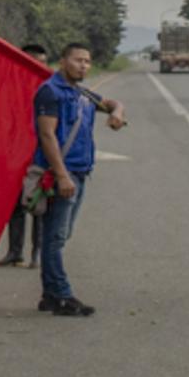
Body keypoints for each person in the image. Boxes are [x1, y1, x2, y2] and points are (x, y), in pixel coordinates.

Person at [32, 43, 126, 317]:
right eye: (77, 60)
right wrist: (61, 175)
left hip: (80, 172)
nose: (83, 66)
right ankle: (61, 295)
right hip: (63, 173)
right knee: (56, 237)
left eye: (87, 61)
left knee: (59, 235)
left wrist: (117, 113)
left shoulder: (81, 92)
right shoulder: (51, 92)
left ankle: (49, 294)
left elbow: (112, 103)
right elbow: (47, 135)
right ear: (63, 62)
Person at [0, 43, 51, 268]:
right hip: (13, 156)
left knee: (38, 206)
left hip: (40, 156)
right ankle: (14, 252)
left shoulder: (50, 90)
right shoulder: (10, 87)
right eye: (30, 61)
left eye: (40, 62)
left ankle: (37, 253)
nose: (36, 66)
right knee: (14, 206)